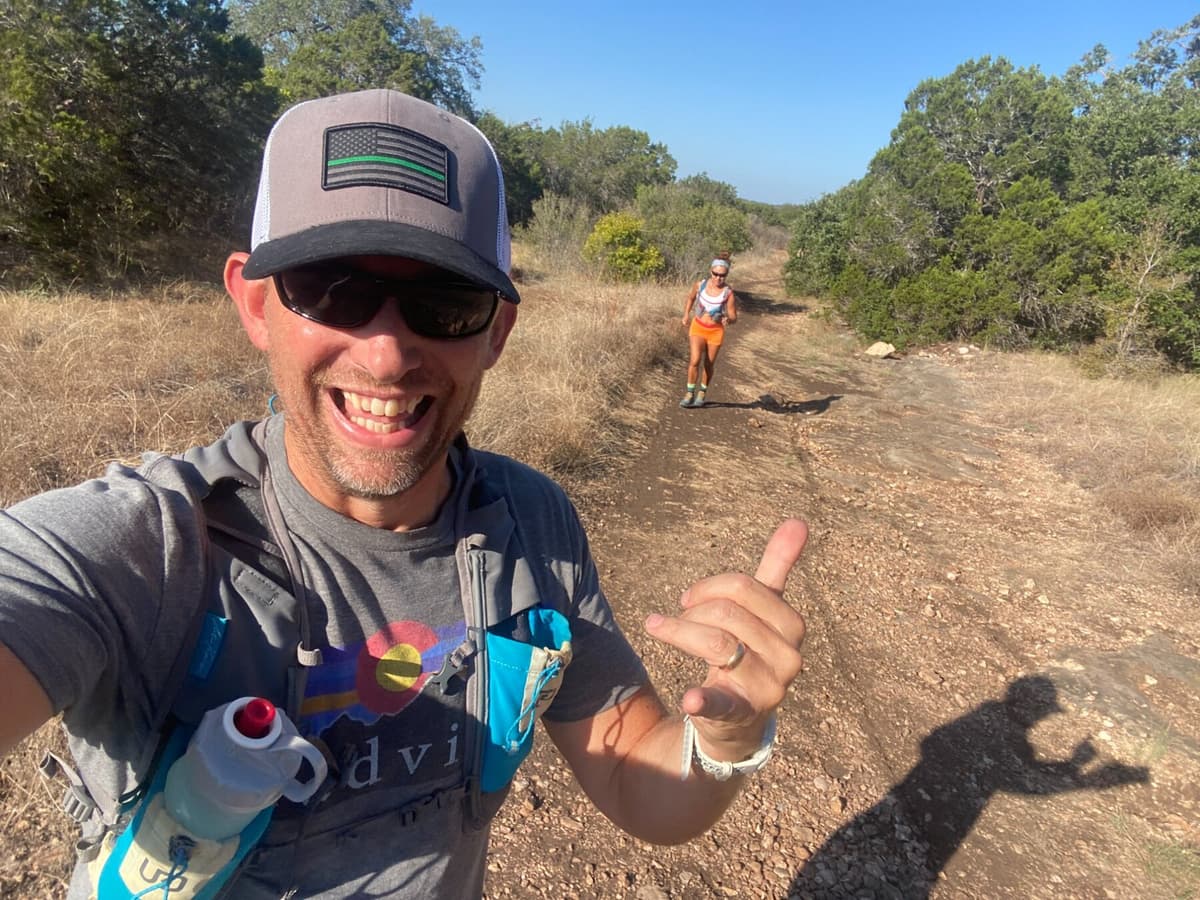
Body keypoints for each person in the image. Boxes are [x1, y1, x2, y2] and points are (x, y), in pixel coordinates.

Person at [0, 89, 807, 899]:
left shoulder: (533, 526)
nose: (387, 355)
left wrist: (728, 737)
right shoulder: (141, 550)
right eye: (330, 288)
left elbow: (639, 781)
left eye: (444, 303)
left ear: (496, 332)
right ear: (253, 302)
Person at [679, 254, 738, 408]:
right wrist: (686, 314)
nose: (719, 278)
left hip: (715, 331)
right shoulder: (700, 285)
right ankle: (689, 392)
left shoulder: (728, 293)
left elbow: (733, 315)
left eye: (722, 275)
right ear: (710, 271)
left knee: (708, 364)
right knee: (694, 360)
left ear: (726, 275)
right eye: (716, 274)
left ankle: (702, 393)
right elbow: (691, 298)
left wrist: (728, 319)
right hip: (698, 326)